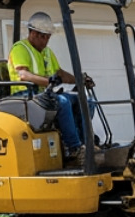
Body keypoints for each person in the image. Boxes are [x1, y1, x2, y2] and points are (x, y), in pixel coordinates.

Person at [8, 11, 96, 162]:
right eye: (43, 36)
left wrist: (79, 81)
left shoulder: (47, 52)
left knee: (85, 100)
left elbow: (60, 73)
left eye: (48, 37)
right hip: (24, 96)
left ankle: (86, 144)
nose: (46, 40)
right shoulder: (20, 49)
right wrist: (49, 81)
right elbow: (23, 75)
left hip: (43, 95)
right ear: (33, 33)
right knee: (62, 102)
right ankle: (73, 148)